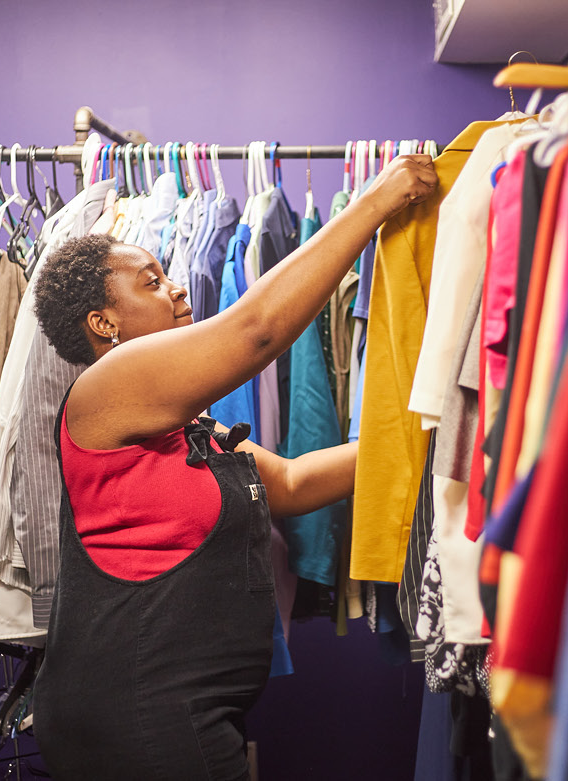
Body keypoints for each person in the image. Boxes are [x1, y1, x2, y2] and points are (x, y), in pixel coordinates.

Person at [25, 155, 436, 779]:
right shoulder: (106, 386)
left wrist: (433, 432)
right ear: (103, 323)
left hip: (178, 709)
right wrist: (373, 204)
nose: (179, 288)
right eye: (153, 282)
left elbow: (294, 484)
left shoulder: (186, 427)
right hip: (136, 711)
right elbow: (256, 332)